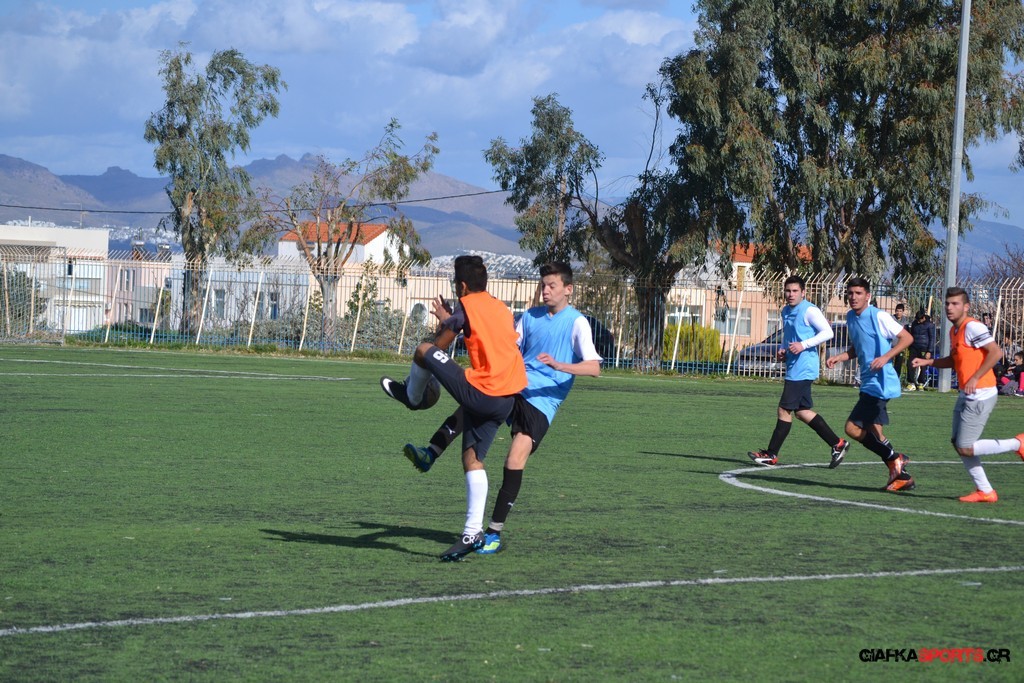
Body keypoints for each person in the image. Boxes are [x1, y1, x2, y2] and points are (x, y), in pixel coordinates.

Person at [403, 262, 602, 555]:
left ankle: (494, 532)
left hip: (542, 402)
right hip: (515, 385)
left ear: (568, 290)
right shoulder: (530, 317)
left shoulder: (577, 323)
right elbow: (502, 343)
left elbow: (594, 367)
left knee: (513, 459)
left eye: (552, 286)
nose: (545, 291)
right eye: (543, 285)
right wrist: (453, 323)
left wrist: (560, 365)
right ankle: (431, 452)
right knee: (474, 403)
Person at [379, 254, 527, 561]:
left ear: (461, 286)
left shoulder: (467, 308)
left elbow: (438, 346)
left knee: (422, 350)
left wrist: (447, 322)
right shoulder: (501, 308)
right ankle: (472, 533)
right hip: (507, 398)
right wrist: (452, 318)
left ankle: (412, 396)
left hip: (483, 391)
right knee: (473, 459)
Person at [911, 287, 1024, 502]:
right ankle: (985, 491)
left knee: (965, 446)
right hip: (967, 393)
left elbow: (996, 353)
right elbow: (955, 361)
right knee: (958, 443)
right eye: (947, 303)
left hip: (981, 392)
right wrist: (928, 362)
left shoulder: (973, 326)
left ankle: (1018, 444)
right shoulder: (955, 331)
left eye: (955, 303)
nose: (949, 307)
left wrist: (975, 377)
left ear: (966, 307)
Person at [747, 275, 850, 468]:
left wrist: (804, 345)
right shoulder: (786, 310)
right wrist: (783, 350)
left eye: (795, 291)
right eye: (788, 291)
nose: (791, 294)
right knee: (802, 412)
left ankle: (771, 454)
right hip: (794, 365)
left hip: (804, 367)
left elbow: (828, 332)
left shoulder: (809, 310)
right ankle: (838, 444)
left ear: (803, 292)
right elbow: (790, 336)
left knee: (784, 409)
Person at [825, 277, 916, 491]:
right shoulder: (851, 317)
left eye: (858, 293)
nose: (853, 297)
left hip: (880, 383)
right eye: (850, 293)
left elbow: (907, 338)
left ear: (868, 296)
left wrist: (886, 357)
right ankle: (900, 475)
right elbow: (858, 347)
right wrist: (840, 357)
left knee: (852, 428)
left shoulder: (879, 316)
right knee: (876, 432)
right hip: (868, 381)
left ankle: (894, 458)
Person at [905, 308, 936, 391]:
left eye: (920, 319)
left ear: (923, 318)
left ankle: (921, 383)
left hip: (924, 348)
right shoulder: (914, 323)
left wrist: (929, 351)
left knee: (923, 366)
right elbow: (911, 334)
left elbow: (932, 339)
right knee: (910, 364)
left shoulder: (930, 325)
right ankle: (911, 383)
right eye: (917, 319)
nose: (918, 321)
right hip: (914, 347)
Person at [892, 303, 908, 378]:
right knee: (888, 363)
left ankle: (896, 378)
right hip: (891, 345)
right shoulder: (891, 319)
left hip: (900, 346)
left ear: (903, 312)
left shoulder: (905, 321)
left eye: (900, 311)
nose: (898, 313)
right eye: (897, 311)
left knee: (898, 364)